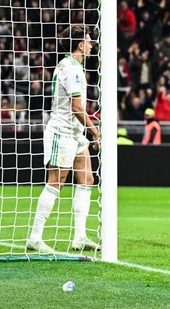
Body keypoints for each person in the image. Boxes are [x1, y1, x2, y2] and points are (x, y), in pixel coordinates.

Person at [26, 25, 101, 253]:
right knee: (55, 182)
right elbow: (76, 106)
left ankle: (79, 236)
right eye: (88, 41)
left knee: (87, 179)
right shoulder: (71, 68)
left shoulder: (73, 66)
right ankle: (34, 237)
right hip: (62, 131)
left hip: (75, 132)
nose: (91, 45)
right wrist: (94, 130)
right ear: (80, 45)